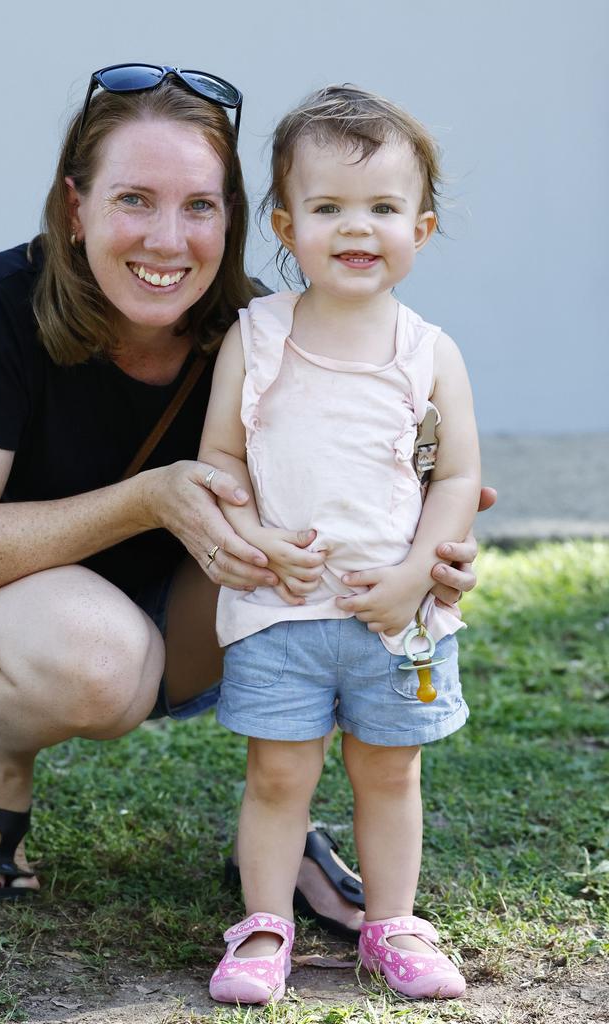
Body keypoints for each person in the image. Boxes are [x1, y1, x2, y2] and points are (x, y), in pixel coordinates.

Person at [0, 67, 490, 930]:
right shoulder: (3, 301)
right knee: (99, 655)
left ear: (235, 221)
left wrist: (424, 550)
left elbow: (424, 490)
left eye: (200, 206)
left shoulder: (256, 331)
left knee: (312, 585)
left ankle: (279, 822)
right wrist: (147, 499)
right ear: (75, 205)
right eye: (134, 199)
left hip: (171, 620)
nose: (169, 240)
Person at [203, 85, 480, 1003]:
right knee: (279, 774)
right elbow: (221, 461)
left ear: (423, 228)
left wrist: (411, 577)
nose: (356, 229)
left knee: (390, 772)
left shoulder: (429, 352)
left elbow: (451, 481)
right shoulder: (258, 336)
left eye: (383, 209)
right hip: (280, 610)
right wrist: (256, 539)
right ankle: (264, 925)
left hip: (395, 622)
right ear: (286, 222)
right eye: (327, 208)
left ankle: (392, 925)